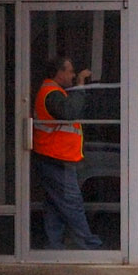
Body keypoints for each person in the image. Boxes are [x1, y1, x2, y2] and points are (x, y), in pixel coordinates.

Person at [32, 55, 103, 250]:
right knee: (72, 203)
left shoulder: (53, 92)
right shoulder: (52, 94)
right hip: (55, 158)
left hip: (52, 156)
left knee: (55, 205)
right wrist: (80, 86)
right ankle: (88, 244)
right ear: (58, 72)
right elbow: (70, 112)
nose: (72, 75)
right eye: (70, 71)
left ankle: (54, 246)